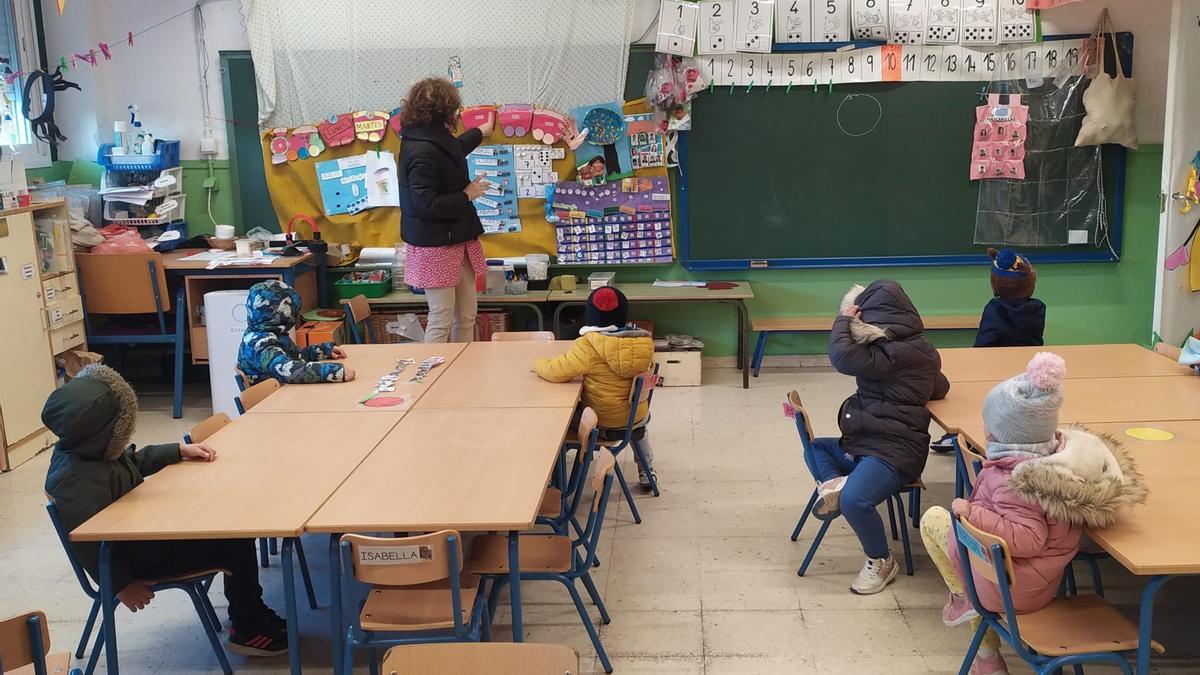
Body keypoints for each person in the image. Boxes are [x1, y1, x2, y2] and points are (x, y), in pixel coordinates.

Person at [919, 353, 1146, 675]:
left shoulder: (1015, 482)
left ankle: (964, 598)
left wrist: (973, 514)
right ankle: (977, 626)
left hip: (1011, 590)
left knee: (935, 522)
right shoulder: (1059, 463)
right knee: (967, 543)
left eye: (990, 427)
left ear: (1001, 434)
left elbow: (1028, 538)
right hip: (1035, 580)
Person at [43, 364, 289, 656]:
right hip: (131, 560)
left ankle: (251, 612)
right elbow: (86, 542)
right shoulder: (73, 480)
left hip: (140, 536)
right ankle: (247, 628)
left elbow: (130, 461)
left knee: (223, 518)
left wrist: (176, 450)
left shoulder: (91, 450)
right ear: (106, 431)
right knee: (234, 539)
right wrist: (120, 584)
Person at [806, 280, 950, 594]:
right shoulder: (908, 350)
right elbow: (940, 387)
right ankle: (834, 484)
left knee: (855, 502)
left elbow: (841, 357)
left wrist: (844, 319)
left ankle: (881, 560)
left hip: (895, 450)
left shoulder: (898, 352)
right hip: (868, 438)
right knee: (817, 449)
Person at [397, 77, 495, 343]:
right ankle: (435, 378)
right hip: (435, 246)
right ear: (444, 112)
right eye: (455, 110)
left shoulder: (431, 137)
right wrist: (466, 194)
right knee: (442, 316)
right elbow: (424, 205)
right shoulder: (421, 150)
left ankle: (463, 372)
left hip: (456, 239)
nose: (457, 115)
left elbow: (453, 149)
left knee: (466, 316)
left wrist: (480, 132)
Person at [533, 287, 658, 487]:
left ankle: (552, 480)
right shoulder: (644, 342)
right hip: (635, 418)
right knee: (640, 421)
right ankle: (647, 470)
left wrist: (537, 363)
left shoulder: (588, 346)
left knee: (560, 417)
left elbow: (555, 372)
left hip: (602, 424)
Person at [237, 280, 353, 385]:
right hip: (273, 403)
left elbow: (296, 357)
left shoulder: (270, 332)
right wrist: (332, 371)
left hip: (285, 394)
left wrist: (322, 351)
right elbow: (288, 370)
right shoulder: (261, 344)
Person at [975, 247, 1046, 348]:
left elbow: (982, 346)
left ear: (995, 284)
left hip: (997, 362)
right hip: (1028, 361)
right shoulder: (1038, 309)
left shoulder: (994, 309)